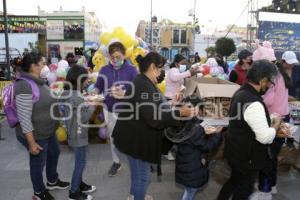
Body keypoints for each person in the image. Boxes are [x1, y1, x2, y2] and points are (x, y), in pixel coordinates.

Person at [112, 52, 198, 200]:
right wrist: (179, 113)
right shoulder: (143, 84)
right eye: (159, 68)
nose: (160, 72)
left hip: (132, 138)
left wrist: (171, 103)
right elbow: (154, 117)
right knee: (142, 178)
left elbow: (155, 102)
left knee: (137, 175)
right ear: (152, 67)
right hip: (135, 141)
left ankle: (135, 196)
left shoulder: (144, 82)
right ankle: (138, 196)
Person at [217, 60, 283, 200]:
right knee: (243, 190)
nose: (270, 86)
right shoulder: (253, 101)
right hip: (248, 158)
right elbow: (265, 137)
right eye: (270, 82)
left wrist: (267, 119)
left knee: (234, 181)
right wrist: (276, 124)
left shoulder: (241, 92)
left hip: (236, 152)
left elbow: (245, 119)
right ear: (263, 79)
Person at [14, 52, 69, 200]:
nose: (45, 66)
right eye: (42, 63)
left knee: (54, 153)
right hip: (36, 134)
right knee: (38, 163)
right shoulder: (24, 85)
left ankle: (52, 181)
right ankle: (39, 192)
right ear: (33, 66)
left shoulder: (38, 80)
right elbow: (24, 117)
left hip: (47, 131)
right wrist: (31, 143)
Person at [249, 44, 291, 199]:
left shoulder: (272, 76)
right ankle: (271, 185)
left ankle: (264, 190)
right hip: (282, 116)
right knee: (272, 155)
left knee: (266, 156)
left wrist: (255, 100)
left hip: (274, 118)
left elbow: (270, 99)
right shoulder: (279, 73)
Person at [165, 95, 223, 200]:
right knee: (190, 192)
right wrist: (217, 135)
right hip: (194, 167)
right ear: (197, 110)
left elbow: (193, 137)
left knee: (188, 190)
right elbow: (206, 147)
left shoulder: (180, 122)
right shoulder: (196, 129)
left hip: (184, 163)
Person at [94, 42, 138, 177]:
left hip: (127, 110)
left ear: (124, 55)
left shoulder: (131, 70)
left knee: (132, 137)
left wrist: (124, 93)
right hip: (109, 109)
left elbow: (137, 90)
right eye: (112, 57)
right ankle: (116, 161)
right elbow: (98, 87)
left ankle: (138, 161)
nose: (115, 60)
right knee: (113, 138)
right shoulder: (104, 70)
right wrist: (93, 95)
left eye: (118, 56)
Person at [62, 65, 97, 200]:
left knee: (80, 160)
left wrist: (86, 102)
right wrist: (93, 105)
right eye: (85, 79)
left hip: (72, 131)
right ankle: (74, 192)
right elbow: (83, 117)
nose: (87, 82)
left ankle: (79, 184)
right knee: (80, 162)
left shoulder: (68, 92)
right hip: (78, 133)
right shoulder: (75, 95)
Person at [282, 51, 300, 149]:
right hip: (281, 102)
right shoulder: (278, 71)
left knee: (295, 121)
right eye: (289, 62)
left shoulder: (298, 69)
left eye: (293, 62)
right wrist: (285, 96)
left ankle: (290, 141)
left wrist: (297, 98)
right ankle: (280, 141)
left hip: (294, 102)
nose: (292, 64)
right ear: (283, 62)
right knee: (283, 121)